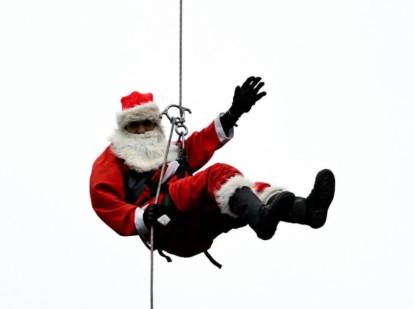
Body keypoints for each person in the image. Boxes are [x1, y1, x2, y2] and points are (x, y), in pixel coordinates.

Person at [89, 76, 335, 260]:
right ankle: (261, 220)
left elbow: (197, 145)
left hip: (197, 226)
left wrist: (232, 114)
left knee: (248, 190)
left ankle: (307, 211)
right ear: (125, 128)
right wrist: (141, 217)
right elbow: (103, 200)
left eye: (148, 123)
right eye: (135, 124)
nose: (143, 130)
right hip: (166, 221)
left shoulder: (167, 150)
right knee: (218, 174)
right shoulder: (113, 158)